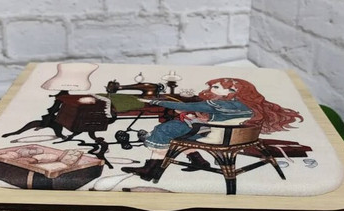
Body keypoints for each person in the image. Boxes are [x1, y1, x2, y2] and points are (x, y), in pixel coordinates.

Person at [122, 77, 303, 181]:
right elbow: (229, 119)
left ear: (232, 91)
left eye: (216, 87)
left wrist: (154, 101)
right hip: (235, 136)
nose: (211, 89)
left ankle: (150, 170)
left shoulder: (219, 103)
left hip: (217, 137)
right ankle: (199, 162)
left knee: (165, 130)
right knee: (181, 128)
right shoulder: (247, 105)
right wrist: (206, 118)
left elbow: (187, 107)